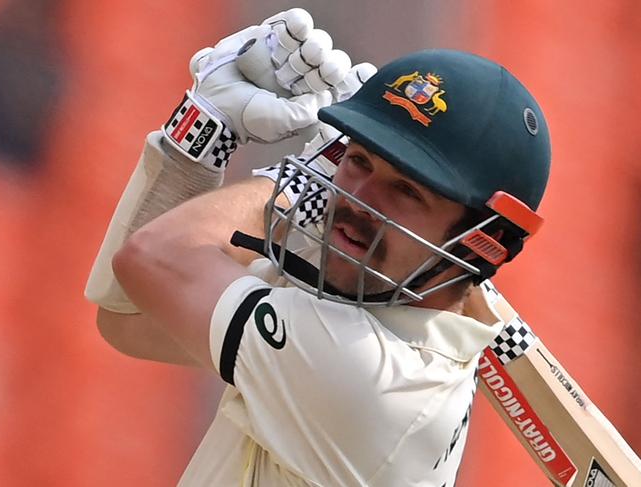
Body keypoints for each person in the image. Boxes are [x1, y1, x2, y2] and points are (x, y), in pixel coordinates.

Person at [85, 9, 551, 487]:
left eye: (407, 191)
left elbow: (151, 259)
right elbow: (130, 318)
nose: (358, 198)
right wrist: (198, 139)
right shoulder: (362, 301)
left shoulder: (377, 380)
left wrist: (298, 183)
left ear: (478, 245)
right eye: (358, 160)